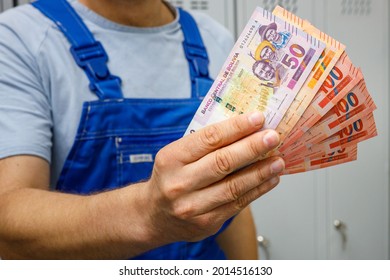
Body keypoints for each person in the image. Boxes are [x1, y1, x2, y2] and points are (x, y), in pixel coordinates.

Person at [0, 0, 285, 259]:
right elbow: (8, 218)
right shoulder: (20, 38)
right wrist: (148, 214)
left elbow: (228, 201)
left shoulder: (216, 40)